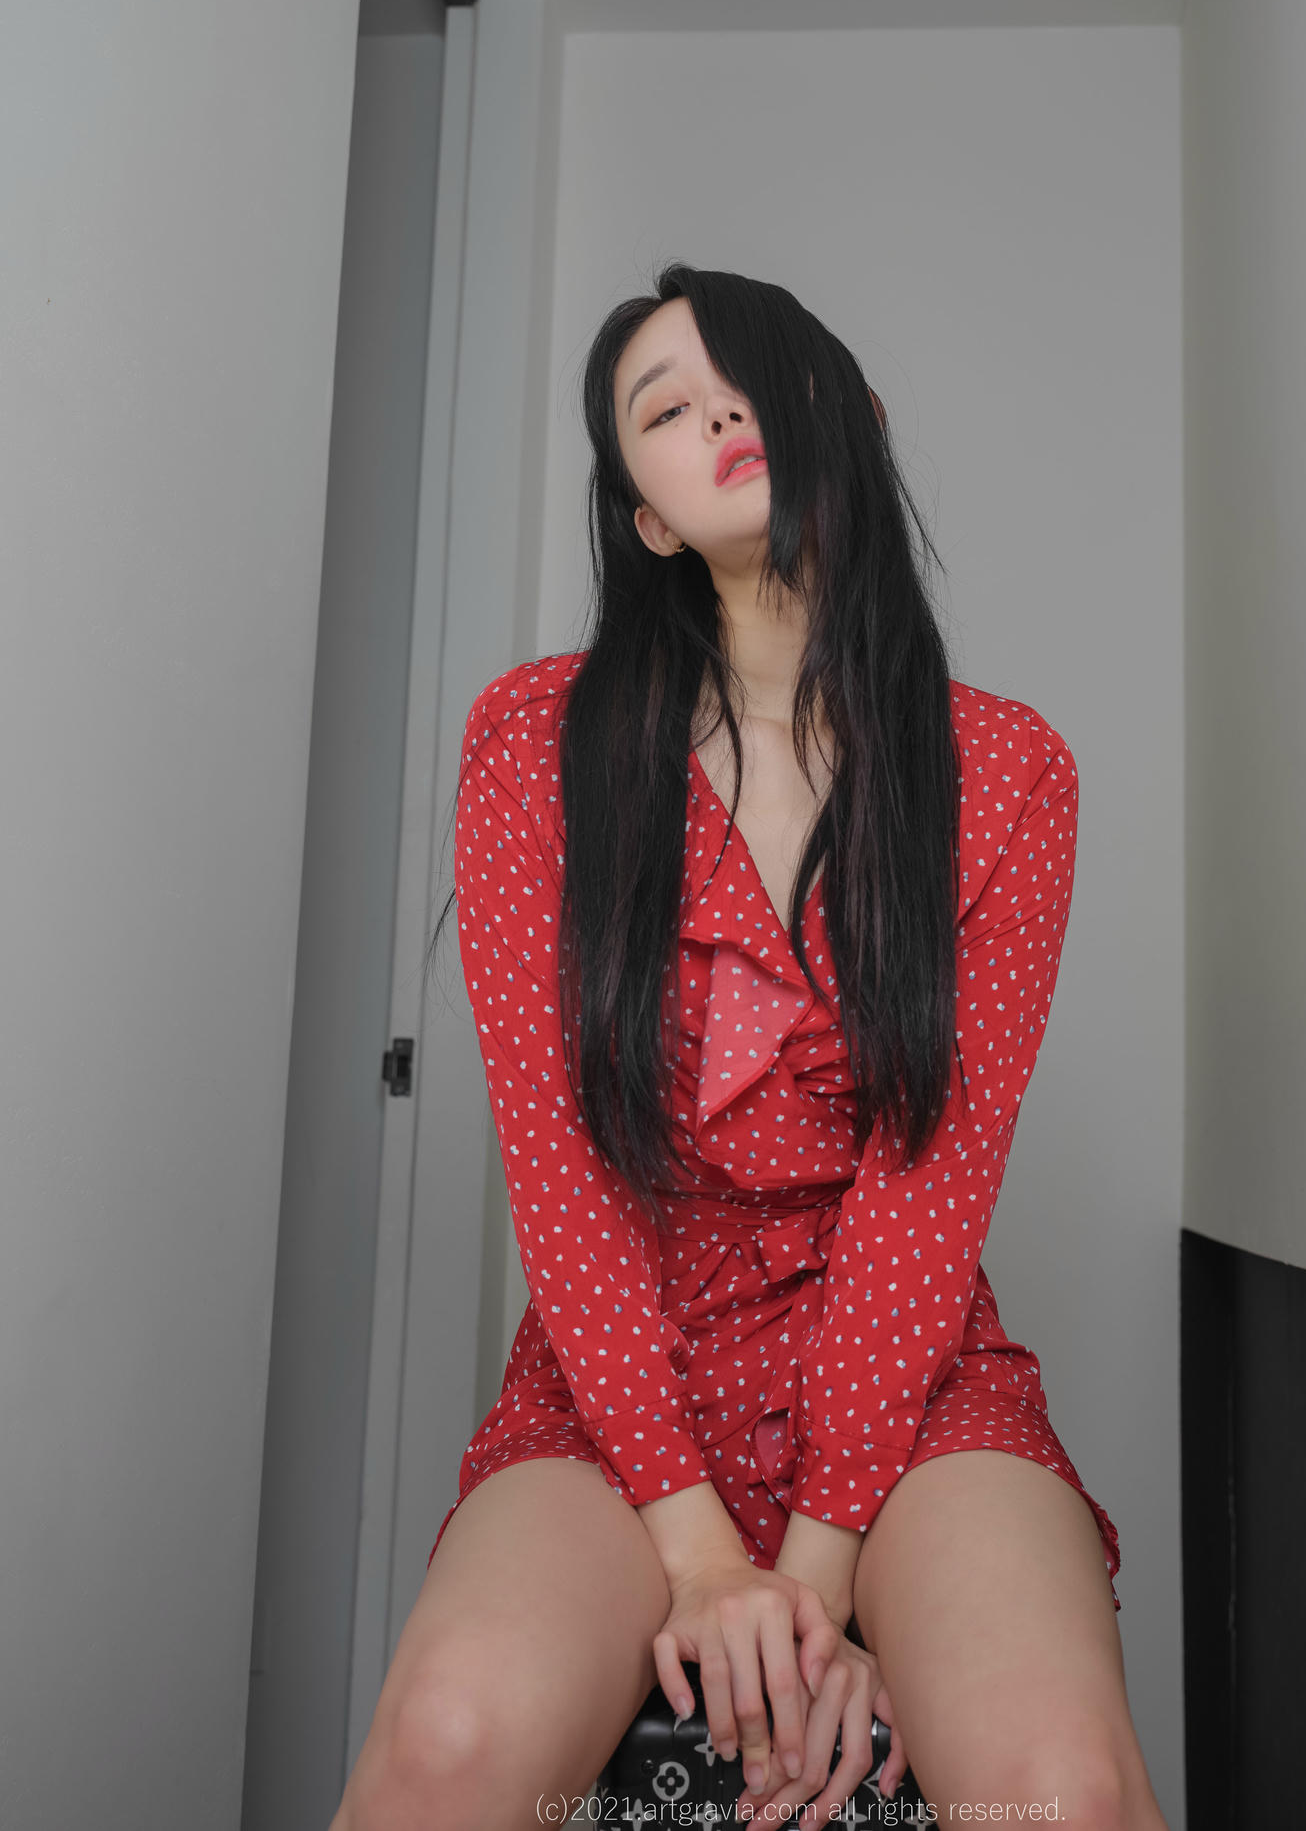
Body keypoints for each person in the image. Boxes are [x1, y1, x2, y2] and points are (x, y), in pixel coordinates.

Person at [331, 263, 1167, 1831]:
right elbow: (561, 1174)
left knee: (1060, 1790)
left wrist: (818, 1584)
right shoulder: (535, 745)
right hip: (617, 1387)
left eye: (747, 378)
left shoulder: (1007, 773)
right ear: (646, 517)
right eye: (665, 408)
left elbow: (930, 1193)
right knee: (445, 1742)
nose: (716, 414)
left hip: (911, 1387)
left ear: (853, 416)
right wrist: (703, 1558)